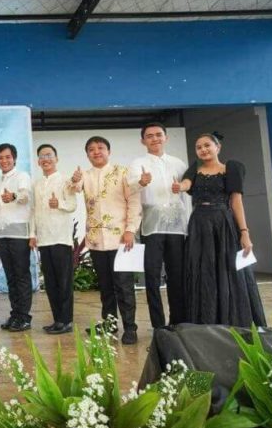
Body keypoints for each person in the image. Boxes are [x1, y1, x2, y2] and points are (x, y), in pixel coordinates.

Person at [173, 132, 266, 327]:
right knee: (201, 269)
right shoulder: (194, 169)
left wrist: (244, 232)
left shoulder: (231, 168)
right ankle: (204, 320)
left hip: (223, 222)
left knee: (227, 269)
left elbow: (236, 201)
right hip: (198, 223)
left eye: (207, 145)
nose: (203, 150)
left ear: (218, 147)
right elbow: (186, 184)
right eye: (199, 147)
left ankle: (230, 319)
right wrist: (179, 187)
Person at [72, 136, 142, 345]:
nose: (96, 152)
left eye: (100, 148)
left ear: (108, 151)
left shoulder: (122, 172)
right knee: (105, 287)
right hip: (96, 240)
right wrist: (75, 179)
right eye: (91, 149)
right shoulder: (84, 175)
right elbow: (73, 189)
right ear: (87, 155)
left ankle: (130, 328)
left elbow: (134, 201)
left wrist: (130, 230)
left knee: (124, 286)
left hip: (121, 239)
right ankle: (110, 325)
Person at [128, 123, 190, 327]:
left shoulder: (179, 164)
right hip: (151, 227)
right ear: (142, 141)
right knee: (152, 278)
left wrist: (180, 187)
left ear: (166, 138)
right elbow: (130, 187)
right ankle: (158, 326)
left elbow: (189, 190)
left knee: (177, 277)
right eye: (149, 136)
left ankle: (178, 322)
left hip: (177, 228)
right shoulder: (138, 163)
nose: (154, 139)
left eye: (158, 135)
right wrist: (142, 182)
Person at [30, 144, 77, 334]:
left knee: (64, 282)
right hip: (44, 239)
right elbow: (33, 211)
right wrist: (32, 234)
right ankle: (57, 319)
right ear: (38, 161)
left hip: (61, 238)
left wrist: (60, 204)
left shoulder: (66, 181)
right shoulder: (37, 184)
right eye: (42, 156)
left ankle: (66, 321)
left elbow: (73, 204)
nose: (45, 159)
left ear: (56, 159)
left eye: (49, 155)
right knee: (50, 282)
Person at [0, 143, 34, 332]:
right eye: (0, 158)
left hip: (19, 234)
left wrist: (14, 196)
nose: (4, 161)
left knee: (21, 276)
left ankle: (24, 317)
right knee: (10, 277)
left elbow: (26, 196)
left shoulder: (22, 176)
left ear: (14, 158)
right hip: (2, 234)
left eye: (7, 157)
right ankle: (15, 314)